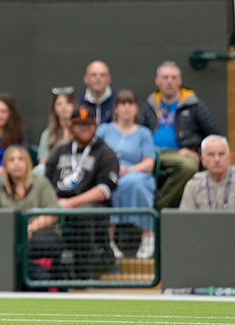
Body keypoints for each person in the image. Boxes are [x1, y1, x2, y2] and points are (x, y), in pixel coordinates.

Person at [45, 106, 120, 279]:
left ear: (95, 126)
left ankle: (82, 276)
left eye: (88, 124)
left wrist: (71, 203)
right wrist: (54, 203)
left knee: (82, 213)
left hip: (90, 207)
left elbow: (105, 189)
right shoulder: (60, 151)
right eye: (79, 124)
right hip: (57, 202)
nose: (84, 128)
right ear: (70, 126)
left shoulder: (105, 153)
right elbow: (45, 182)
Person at [138, 61, 220, 209]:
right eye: (165, 77)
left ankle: (157, 208)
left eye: (174, 78)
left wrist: (197, 153)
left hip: (182, 154)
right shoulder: (149, 105)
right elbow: (138, 132)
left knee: (188, 167)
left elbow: (214, 136)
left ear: (180, 81)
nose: (169, 81)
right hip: (153, 154)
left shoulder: (194, 104)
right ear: (157, 81)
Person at [96, 90, 156, 259]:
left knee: (135, 184)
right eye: (123, 104)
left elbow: (149, 163)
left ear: (136, 108)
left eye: (131, 104)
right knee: (108, 186)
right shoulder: (104, 130)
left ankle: (148, 234)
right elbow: (94, 154)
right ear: (116, 108)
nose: (127, 108)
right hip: (108, 174)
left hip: (136, 173)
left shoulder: (144, 133)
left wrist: (129, 170)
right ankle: (109, 240)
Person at [0, 145, 59, 233]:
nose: (16, 163)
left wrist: (31, 228)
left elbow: (53, 213)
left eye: (21, 159)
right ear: (5, 166)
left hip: (39, 232)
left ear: (27, 163)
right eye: (11, 160)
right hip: (8, 234)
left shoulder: (41, 183)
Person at [179, 135, 234, 211]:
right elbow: (185, 217)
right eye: (211, 154)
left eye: (221, 154)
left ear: (229, 158)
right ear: (203, 161)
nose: (217, 159)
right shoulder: (193, 185)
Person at [36, 86, 77, 172]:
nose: (64, 107)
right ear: (54, 108)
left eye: (68, 103)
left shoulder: (83, 132)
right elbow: (43, 164)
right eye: (59, 104)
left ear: (74, 105)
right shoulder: (47, 134)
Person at [80, 60, 115, 124]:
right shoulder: (78, 103)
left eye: (102, 75)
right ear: (85, 79)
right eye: (93, 75)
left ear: (109, 79)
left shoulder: (118, 102)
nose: (98, 79)